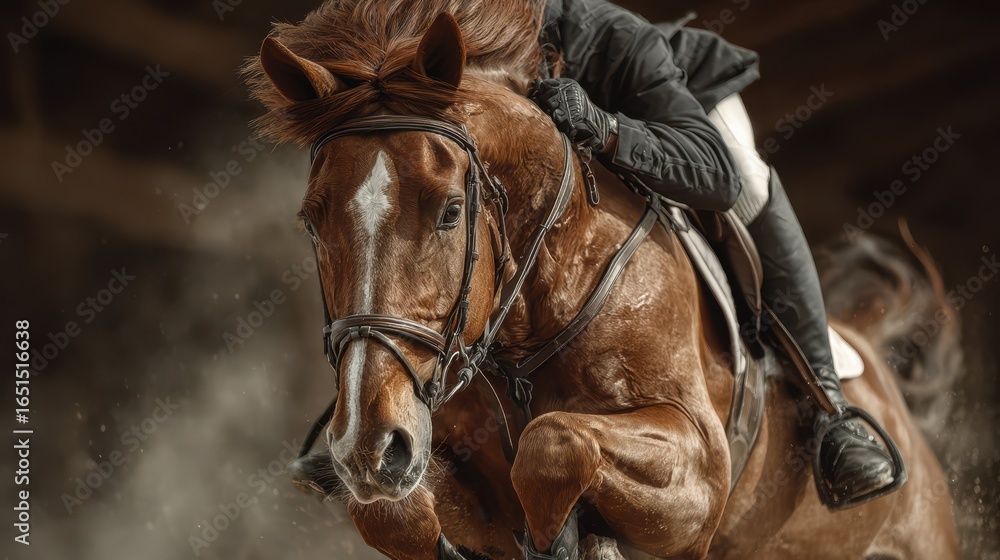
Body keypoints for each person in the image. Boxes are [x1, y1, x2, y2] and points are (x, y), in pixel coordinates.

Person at [528, 1, 901, 556]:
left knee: (749, 182)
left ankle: (832, 414)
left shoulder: (613, 38)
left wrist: (605, 128)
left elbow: (716, 177)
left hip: (687, 109)